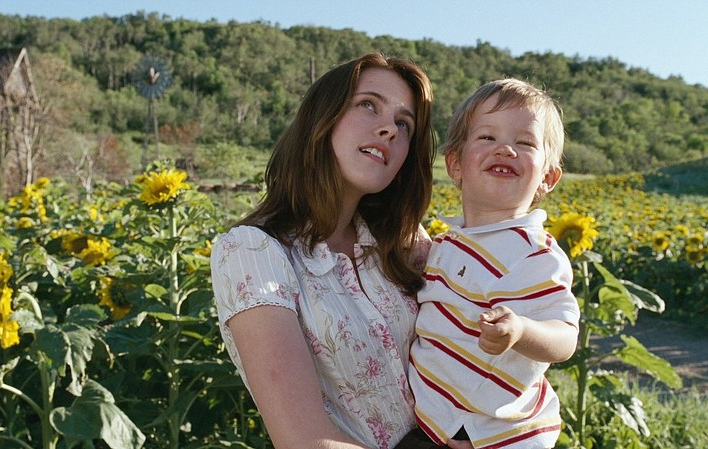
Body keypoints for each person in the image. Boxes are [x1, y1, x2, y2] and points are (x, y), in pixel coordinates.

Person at [210, 53, 435, 449]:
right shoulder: (253, 252)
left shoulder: (404, 243)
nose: (389, 129)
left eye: (404, 123)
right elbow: (304, 440)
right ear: (322, 117)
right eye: (368, 105)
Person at [406, 78, 580, 449]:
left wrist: (521, 331)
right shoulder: (445, 244)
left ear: (548, 177)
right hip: (434, 424)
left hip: (493, 433)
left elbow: (565, 338)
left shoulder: (536, 254)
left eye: (525, 142)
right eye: (487, 137)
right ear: (456, 165)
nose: (505, 148)